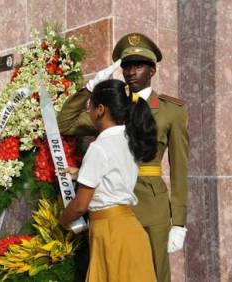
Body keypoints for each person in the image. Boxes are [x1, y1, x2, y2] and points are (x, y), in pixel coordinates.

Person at [58, 33, 189, 282]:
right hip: (112, 209)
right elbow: (64, 123)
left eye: (138, 65)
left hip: (151, 205)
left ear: (152, 69)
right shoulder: (112, 107)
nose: (130, 72)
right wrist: (89, 88)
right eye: (126, 66)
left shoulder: (172, 111)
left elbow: (180, 169)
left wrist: (179, 222)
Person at [59, 79, 157, 281]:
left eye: (90, 107)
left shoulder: (99, 146)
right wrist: (81, 173)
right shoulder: (130, 139)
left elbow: (80, 205)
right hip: (130, 228)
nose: (89, 112)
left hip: (110, 233)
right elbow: (114, 174)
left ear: (100, 109)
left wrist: (62, 221)